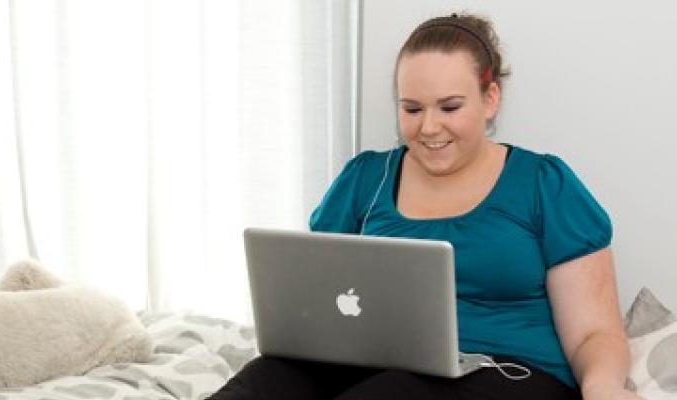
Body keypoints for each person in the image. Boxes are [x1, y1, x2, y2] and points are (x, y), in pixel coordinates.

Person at [210, 13, 642, 400]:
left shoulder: (543, 184)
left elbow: (595, 331)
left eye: (450, 107)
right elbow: (319, 301)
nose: (429, 127)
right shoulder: (366, 178)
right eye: (411, 108)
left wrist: (602, 386)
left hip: (509, 373)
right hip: (377, 361)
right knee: (264, 380)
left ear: (490, 98)